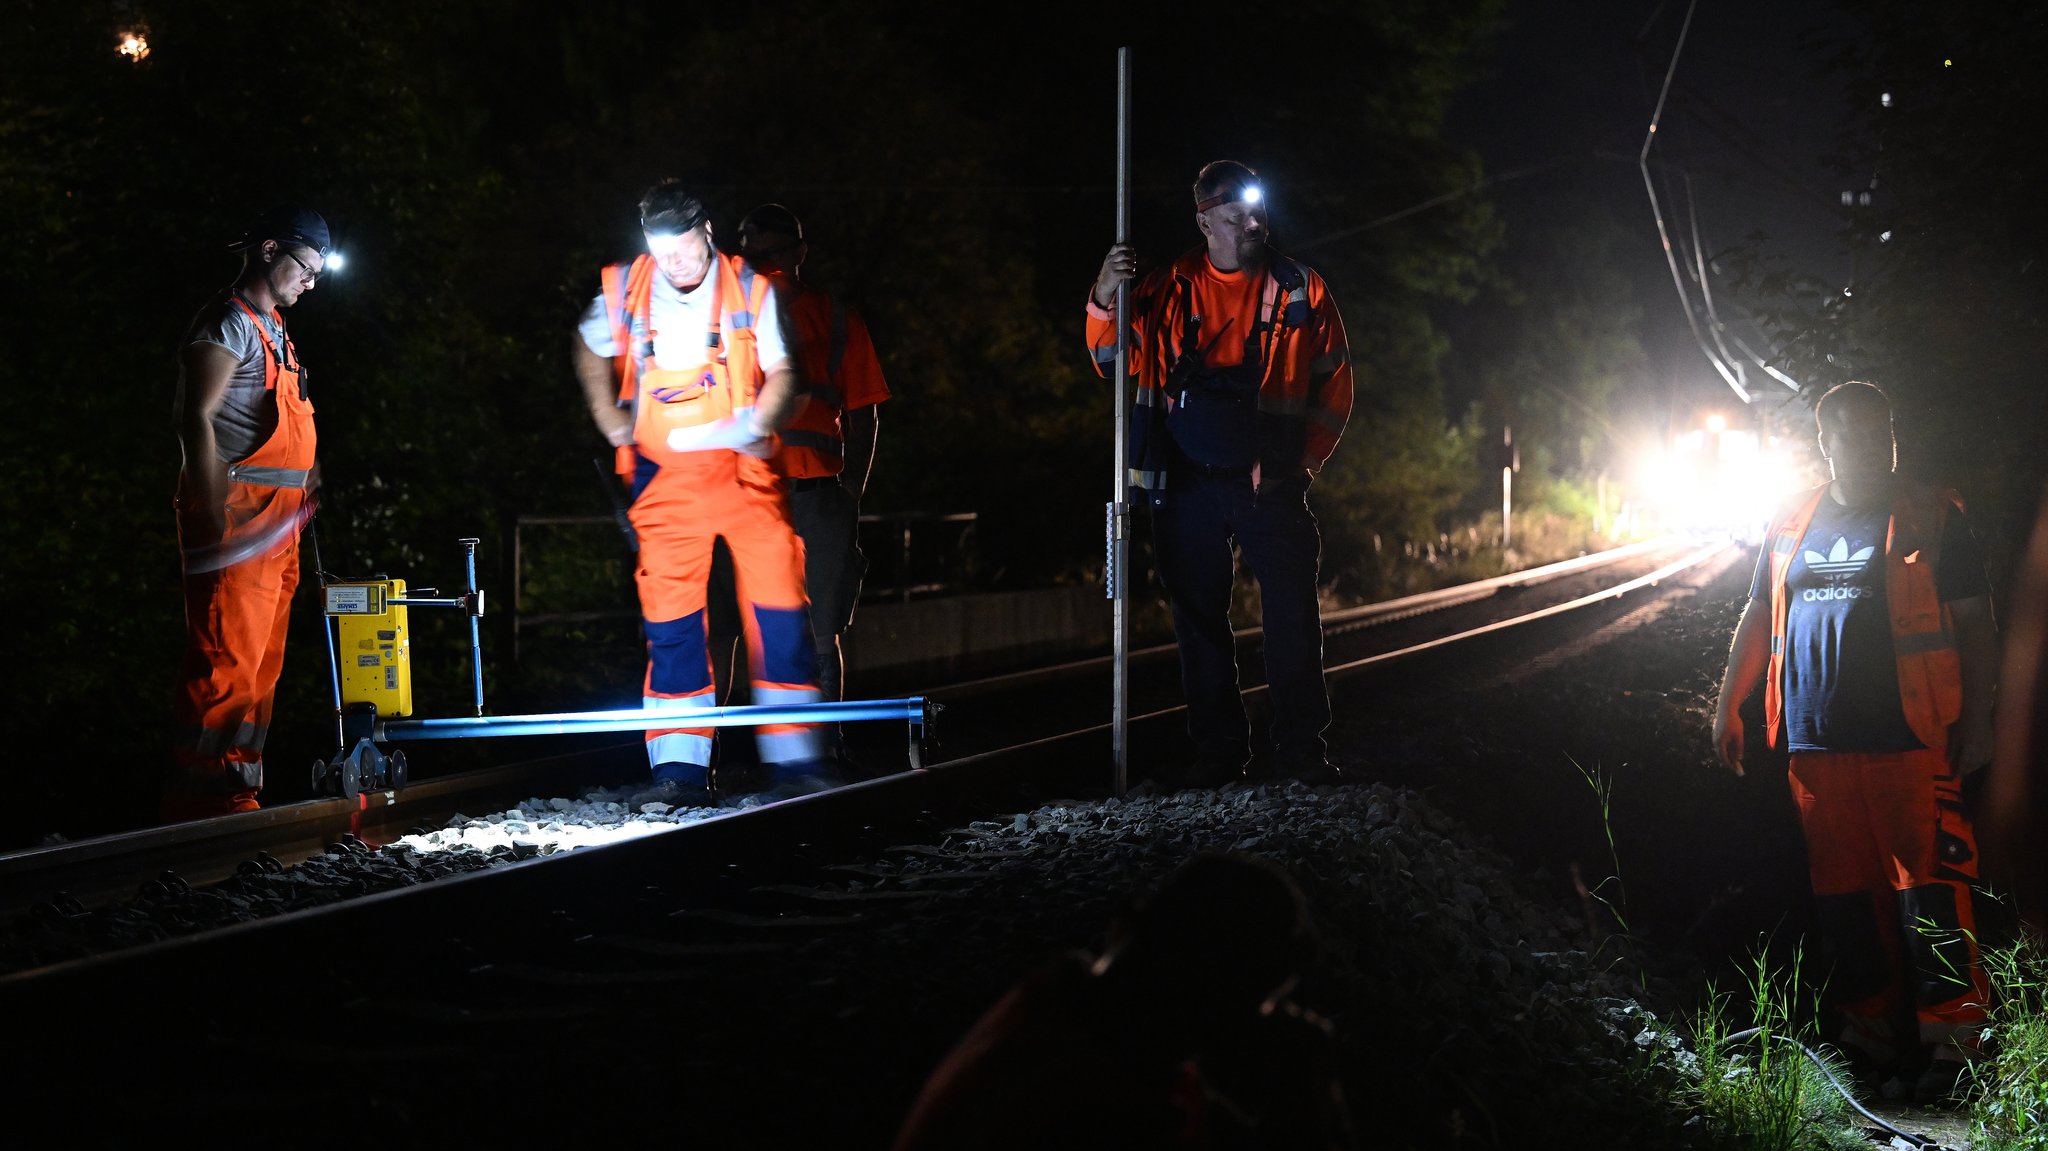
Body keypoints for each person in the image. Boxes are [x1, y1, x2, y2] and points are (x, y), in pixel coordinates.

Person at [1710, 380, 1999, 1104]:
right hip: (1814, 745)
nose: (1874, 444)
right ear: (1826, 440)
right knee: (1844, 901)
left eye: (1884, 430)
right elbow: (1757, 616)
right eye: (1856, 433)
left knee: (1930, 895)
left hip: (1909, 739)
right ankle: (1868, 1037)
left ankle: (1955, 1044)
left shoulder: (1932, 515)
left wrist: (1982, 719)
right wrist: (1729, 705)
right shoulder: (1791, 519)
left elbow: (1975, 624)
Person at [1086, 160, 1354, 788]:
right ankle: (1219, 756)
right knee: (1198, 621)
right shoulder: (1164, 288)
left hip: (1273, 484)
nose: (1254, 225)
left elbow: (1336, 384)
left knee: (1290, 613)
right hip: (1183, 484)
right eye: (1237, 217)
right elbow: (1108, 358)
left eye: (1258, 214)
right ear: (1205, 220)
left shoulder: (1298, 288)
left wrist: (1302, 464)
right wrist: (1103, 295)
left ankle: (1301, 753)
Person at [573, 178, 828, 807]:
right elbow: (588, 345)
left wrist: (752, 423)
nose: (674, 261)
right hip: (664, 486)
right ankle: (679, 772)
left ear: (705, 231)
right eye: (661, 249)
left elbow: (785, 372)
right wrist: (609, 419)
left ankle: (795, 767)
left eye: (683, 246)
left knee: (779, 617)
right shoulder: (627, 285)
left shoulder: (749, 288)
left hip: (744, 476)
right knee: (673, 626)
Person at [891, 851, 1356, 1151]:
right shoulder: (1105, 1098)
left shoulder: (1068, 1007)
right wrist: (1309, 1098)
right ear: (1220, 998)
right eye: (1257, 1003)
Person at [703, 203, 889, 772]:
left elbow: (864, 414)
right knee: (726, 622)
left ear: (798, 253)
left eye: (771, 253)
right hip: (744, 496)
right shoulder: (724, 315)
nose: (762, 265)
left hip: (812, 495)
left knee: (814, 626)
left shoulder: (833, 318)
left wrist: (848, 494)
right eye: (753, 255)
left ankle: (816, 752)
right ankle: (711, 754)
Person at [164, 206, 334, 823]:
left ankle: (237, 796)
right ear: (269, 250)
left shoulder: (278, 332)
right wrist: (210, 511)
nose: (310, 283)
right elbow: (195, 418)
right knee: (224, 664)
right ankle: (195, 806)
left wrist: (307, 483)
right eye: (306, 268)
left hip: (279, 523)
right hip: (237, 520)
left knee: (261, 668)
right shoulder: (227, 324)